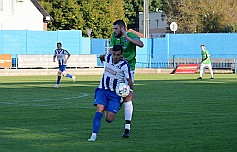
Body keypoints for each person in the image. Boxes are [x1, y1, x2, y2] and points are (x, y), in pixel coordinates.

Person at [88, 45, 134, 142]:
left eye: (118, 55)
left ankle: (119, 104)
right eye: (114, 54)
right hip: (102, 90)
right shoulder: (108, 57)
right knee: (99, 109)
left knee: (109, 119)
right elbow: (101, 56)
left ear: (121, 54)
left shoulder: (124, 65)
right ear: (111, 52)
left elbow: (129, 80)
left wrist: (131, 91)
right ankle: (93, 135)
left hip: (114, 94)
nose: (115, 57)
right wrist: (102, 58)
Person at [109, 20, 144, 138]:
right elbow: (111, 49)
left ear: (122, 28)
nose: (114, 31)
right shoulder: (114, 36)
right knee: (116, 95)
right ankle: (117, 104)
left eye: (116, 29)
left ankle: (127, 128)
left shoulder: (131, 35)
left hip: (129, 69)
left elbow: (141, 44)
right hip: (116, 70)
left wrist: (127, 38)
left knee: (128, 97)